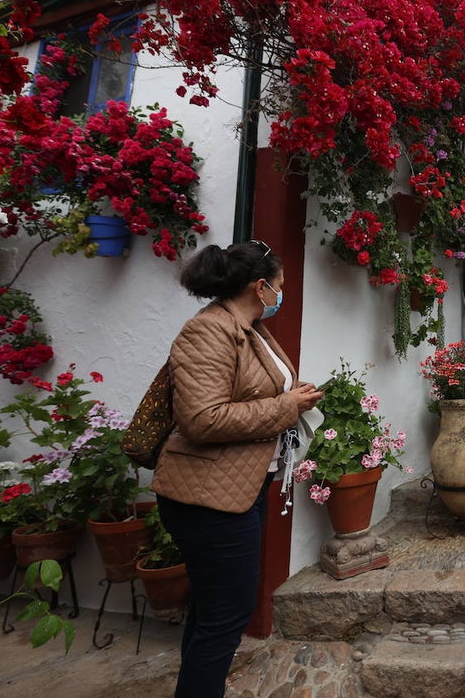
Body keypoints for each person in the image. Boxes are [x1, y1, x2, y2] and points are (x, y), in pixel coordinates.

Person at [151, 240, 323, 698]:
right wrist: (287, 405)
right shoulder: (207, 331)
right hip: (205, 498)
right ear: (260, 286)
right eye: (280, 286)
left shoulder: (251, 328)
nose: (283, 293)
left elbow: (254, 392)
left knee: (214, 611)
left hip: (238, 489)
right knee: (227, 614)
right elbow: (202, 419)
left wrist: (292, 396)